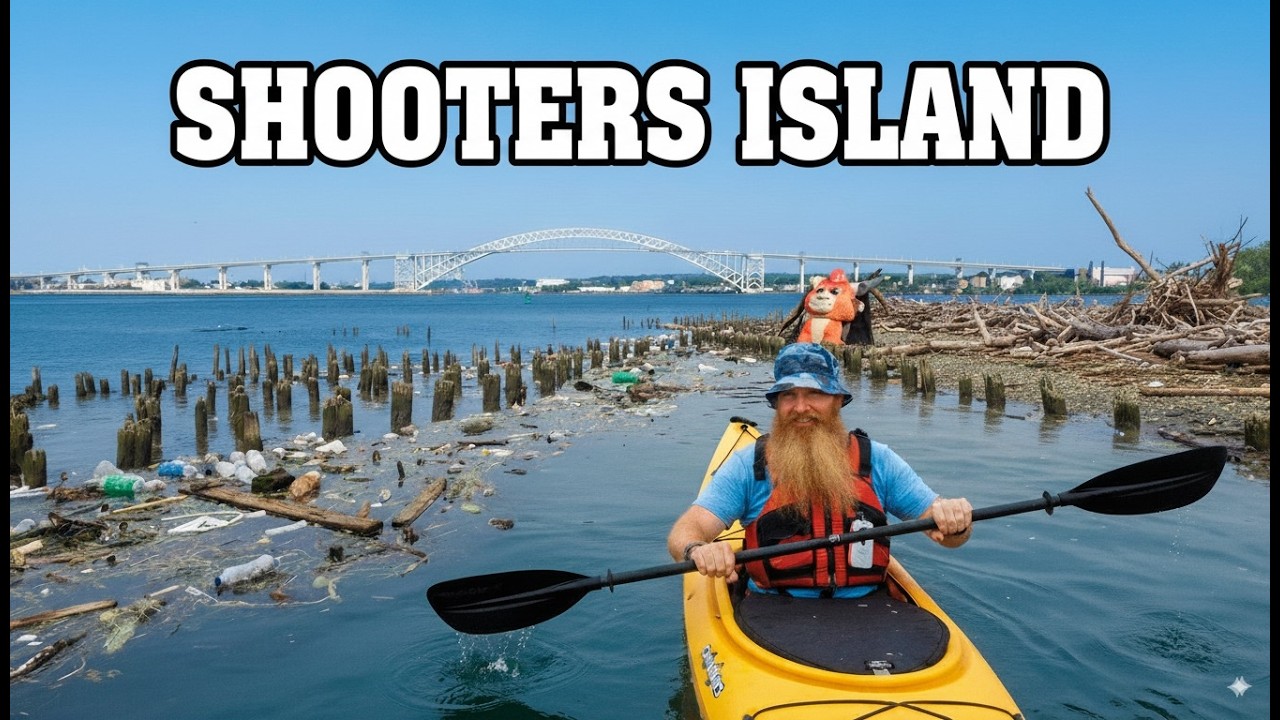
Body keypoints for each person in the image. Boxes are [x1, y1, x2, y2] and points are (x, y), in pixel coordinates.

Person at [666, 343, 972, 598]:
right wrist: (698, 550)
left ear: (838, 400)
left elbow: (947, 536)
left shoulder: (878, 460)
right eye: (789, 395)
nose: (801, 407)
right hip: (775, 609)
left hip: (868, 608)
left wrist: (954, 521)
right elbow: (685, 532)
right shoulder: (751, 465)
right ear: (777, 403)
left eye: (815, 393)